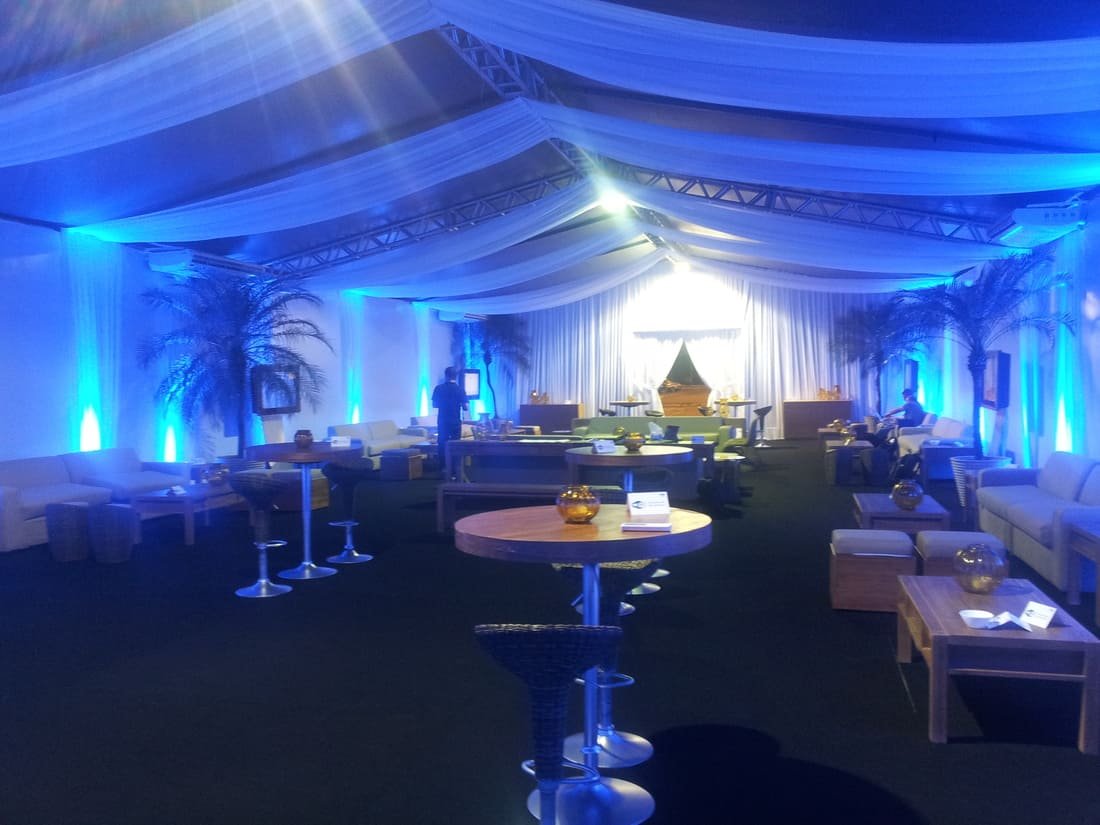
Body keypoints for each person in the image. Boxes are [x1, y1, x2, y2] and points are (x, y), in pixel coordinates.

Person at [432, 366, 468, 474]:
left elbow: (434, 405)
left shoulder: (438, 388)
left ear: (446, 375)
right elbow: (465, 407)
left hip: (442, 421)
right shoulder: (460, 390)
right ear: (456, 376)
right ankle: (455, 469)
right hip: (455, 421)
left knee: (442, 444)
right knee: (455, 445)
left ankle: (443, 468)